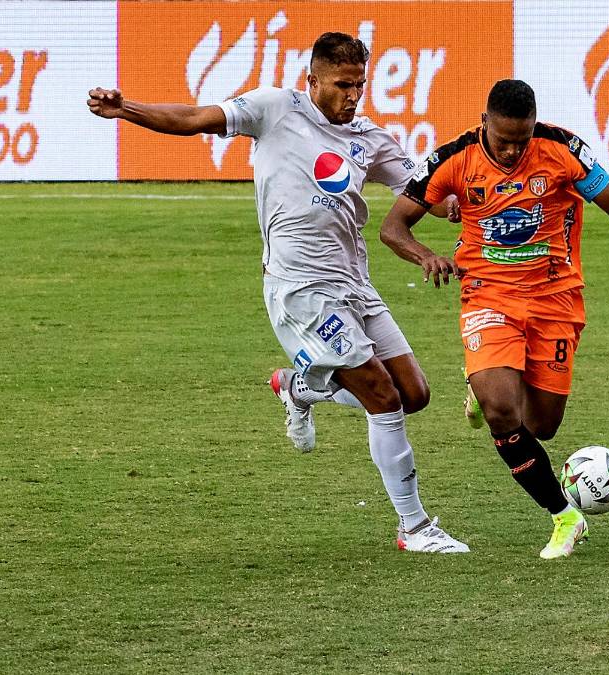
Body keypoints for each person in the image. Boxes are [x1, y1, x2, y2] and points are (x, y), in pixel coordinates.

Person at [87, 32, 469, 554]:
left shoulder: (371, 139)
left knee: (414, 395)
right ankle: (414, 527)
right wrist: (125, 109)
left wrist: (467, 200)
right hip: (300, 287)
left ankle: (299, 387)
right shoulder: (274, 109)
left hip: (356, 284)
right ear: (312, 80)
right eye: (342, 84)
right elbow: (194, 118)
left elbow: (429, 195)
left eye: (359, 84)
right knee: (382, 398)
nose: (352, 95)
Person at [379, 79, 609, 559]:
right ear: (484, 122)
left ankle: (485, 388)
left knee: (542, 425)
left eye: (522, 140)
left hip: (556, 299)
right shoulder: (453, 159)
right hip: (488, 295)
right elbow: (393, 226)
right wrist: (426, 255)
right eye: (503, 140)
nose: (512, 151)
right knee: (502, 413)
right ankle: (564, 516)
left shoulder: (563, 151)